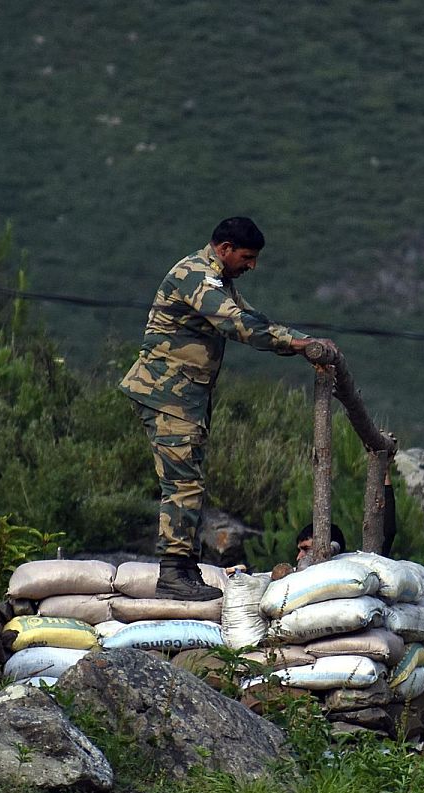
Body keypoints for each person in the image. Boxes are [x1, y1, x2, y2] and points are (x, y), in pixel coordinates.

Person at [120, 217, 339, 601]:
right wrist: (300, 344)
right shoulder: (197, 276)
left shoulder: (218, 282)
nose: (251, 266)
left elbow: (253, 318)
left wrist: (300, 342)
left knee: (190, 483)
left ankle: (185, 568)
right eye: (247, 257)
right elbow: (238, 325)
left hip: (184, 398)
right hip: (166, 395)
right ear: (224, 249)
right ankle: (172, 573)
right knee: (183, 484)